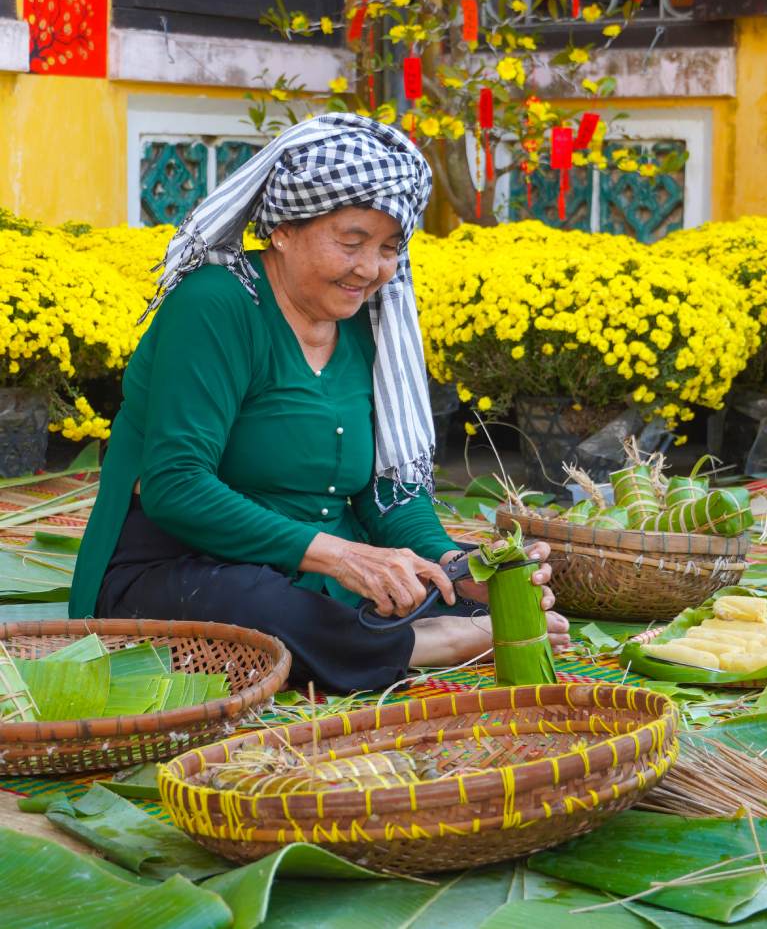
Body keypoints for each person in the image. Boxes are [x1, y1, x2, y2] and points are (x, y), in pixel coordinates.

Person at [70, 113, 569, 691]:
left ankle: (405, 632)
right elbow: (176, 486)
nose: (371, 269)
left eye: (388, 248)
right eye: (352, 242)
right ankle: (422, 645)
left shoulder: (365, 321)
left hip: (326, 574)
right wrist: (341, 557)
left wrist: (455, 570)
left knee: (468, 596)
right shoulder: (216, 304)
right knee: (257, 607)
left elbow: (383, 494)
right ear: (282, 229)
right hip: (184, 569)